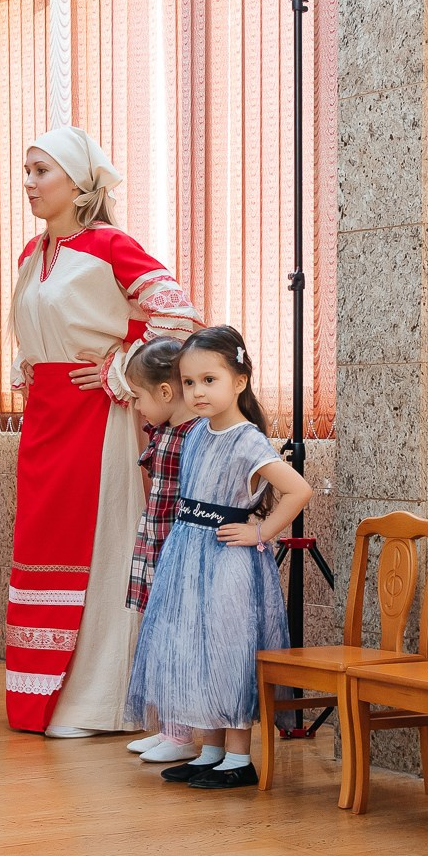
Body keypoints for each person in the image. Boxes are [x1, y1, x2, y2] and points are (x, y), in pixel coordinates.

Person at [4, 127, 202, 737]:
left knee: (104, 543)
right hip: (45, 417)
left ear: (78, 181)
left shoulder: (111, 245)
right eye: (28, 170)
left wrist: (120, 364)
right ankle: (51, 698)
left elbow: (181, 315)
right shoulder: (29, 257)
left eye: (42, 171)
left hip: (99, 417)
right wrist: (32, 362)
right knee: (46, 543)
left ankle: (101, 701)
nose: (30, 182)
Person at [128, 327, 311, 789]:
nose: (197, 392)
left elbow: (297, 490)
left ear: (240, 381)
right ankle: (209, 750)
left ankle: (237, 758)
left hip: (228, 561)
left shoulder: (246, 440)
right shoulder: (196, 435)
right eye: (189, 383)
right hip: (188, 556)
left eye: (209, 380)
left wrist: (261, 532)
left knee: (227, 652)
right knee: (194, 648)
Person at [117, 337, 201, 764]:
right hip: (157, 542)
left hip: (178, 548)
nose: (135, 407)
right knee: (159, 636)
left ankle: (182, 734)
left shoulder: (195, 435)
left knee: (178, 642)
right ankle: (168, 726)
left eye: (138, 398)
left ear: (166, 393)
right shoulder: (165, 429)